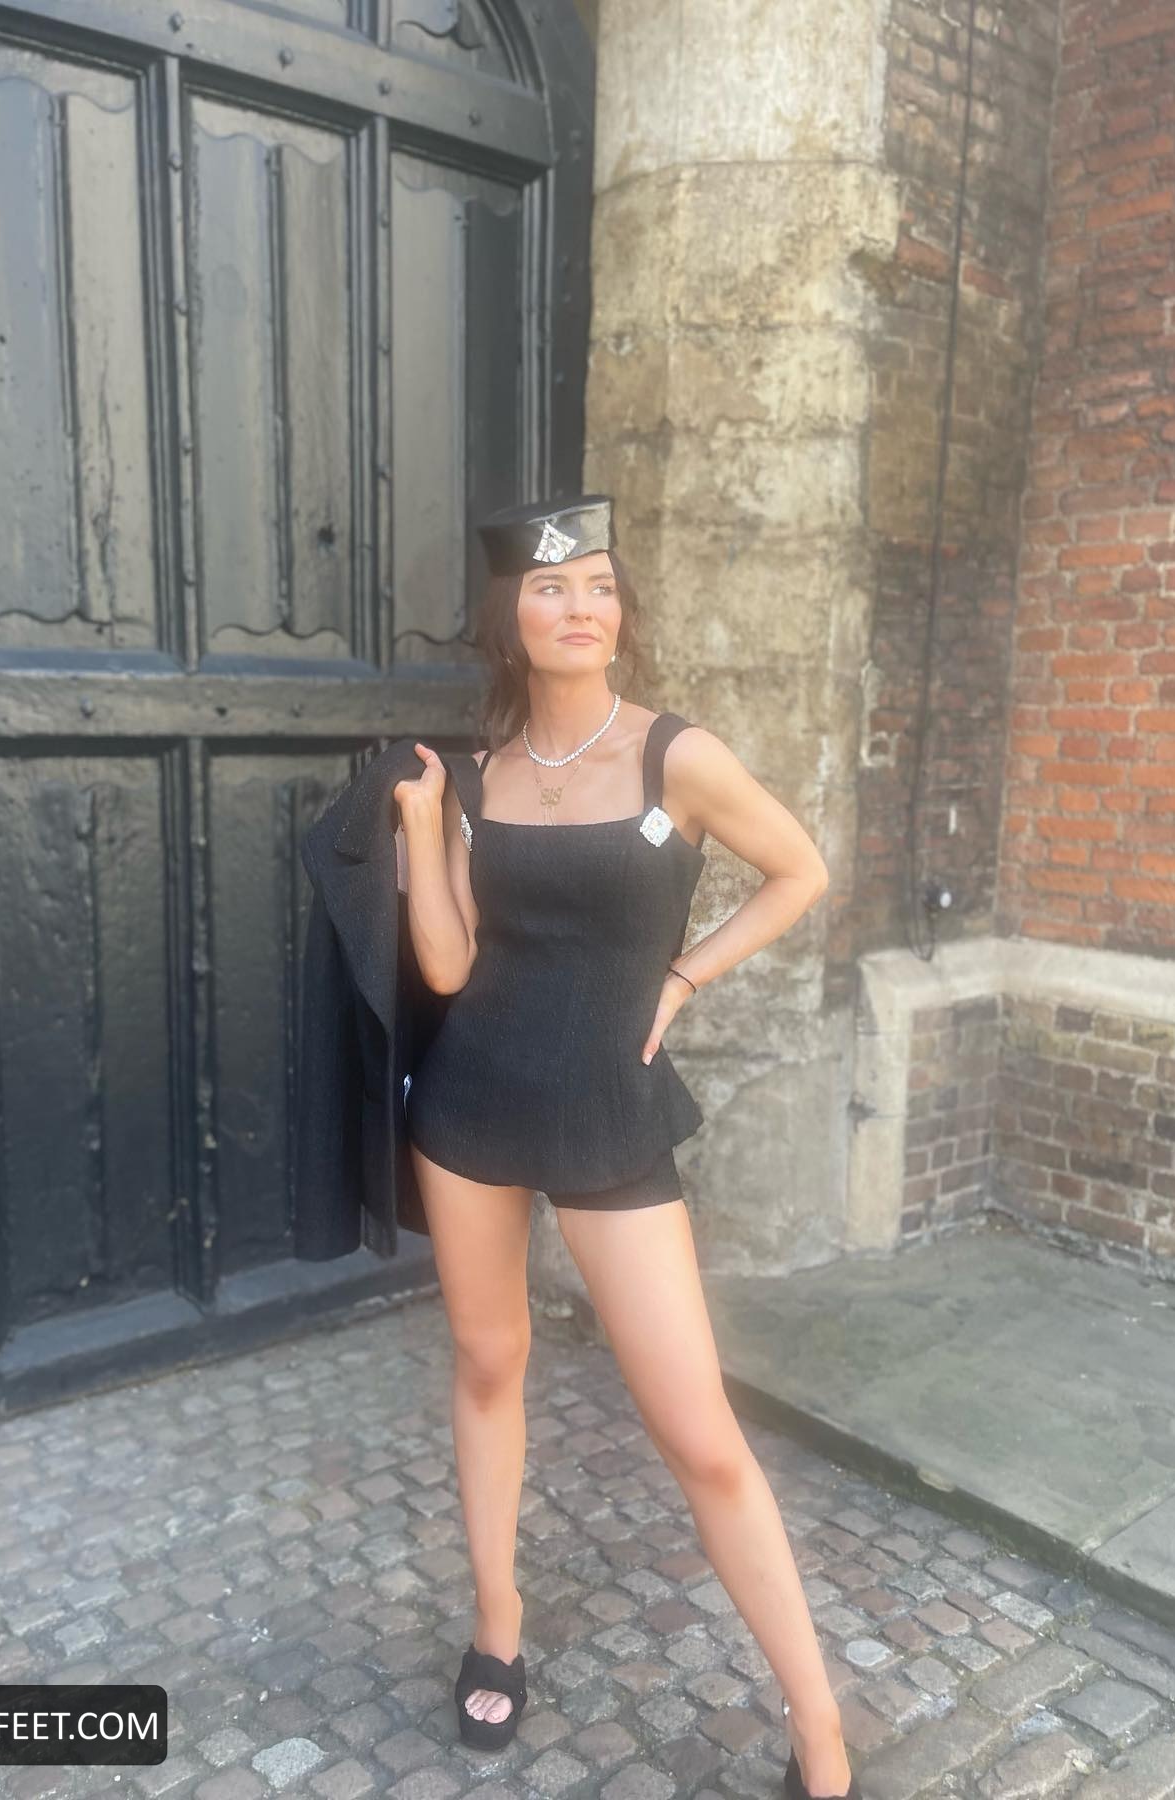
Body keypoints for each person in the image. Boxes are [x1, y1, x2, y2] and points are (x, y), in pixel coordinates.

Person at [393, 494, 855, 1800]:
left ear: (621, 609)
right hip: (472, 1104)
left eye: (599, 584)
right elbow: (448, 966)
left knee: (701, 1434)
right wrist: (426, 830)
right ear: (510, 618)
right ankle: (498, 1624)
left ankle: (819, 1727)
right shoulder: (479, 777)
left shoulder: (675, 757)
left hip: (610, 1112)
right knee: (490, 1362)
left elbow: (800, 871)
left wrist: (685, 978)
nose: (580, 605)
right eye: (551, 588)